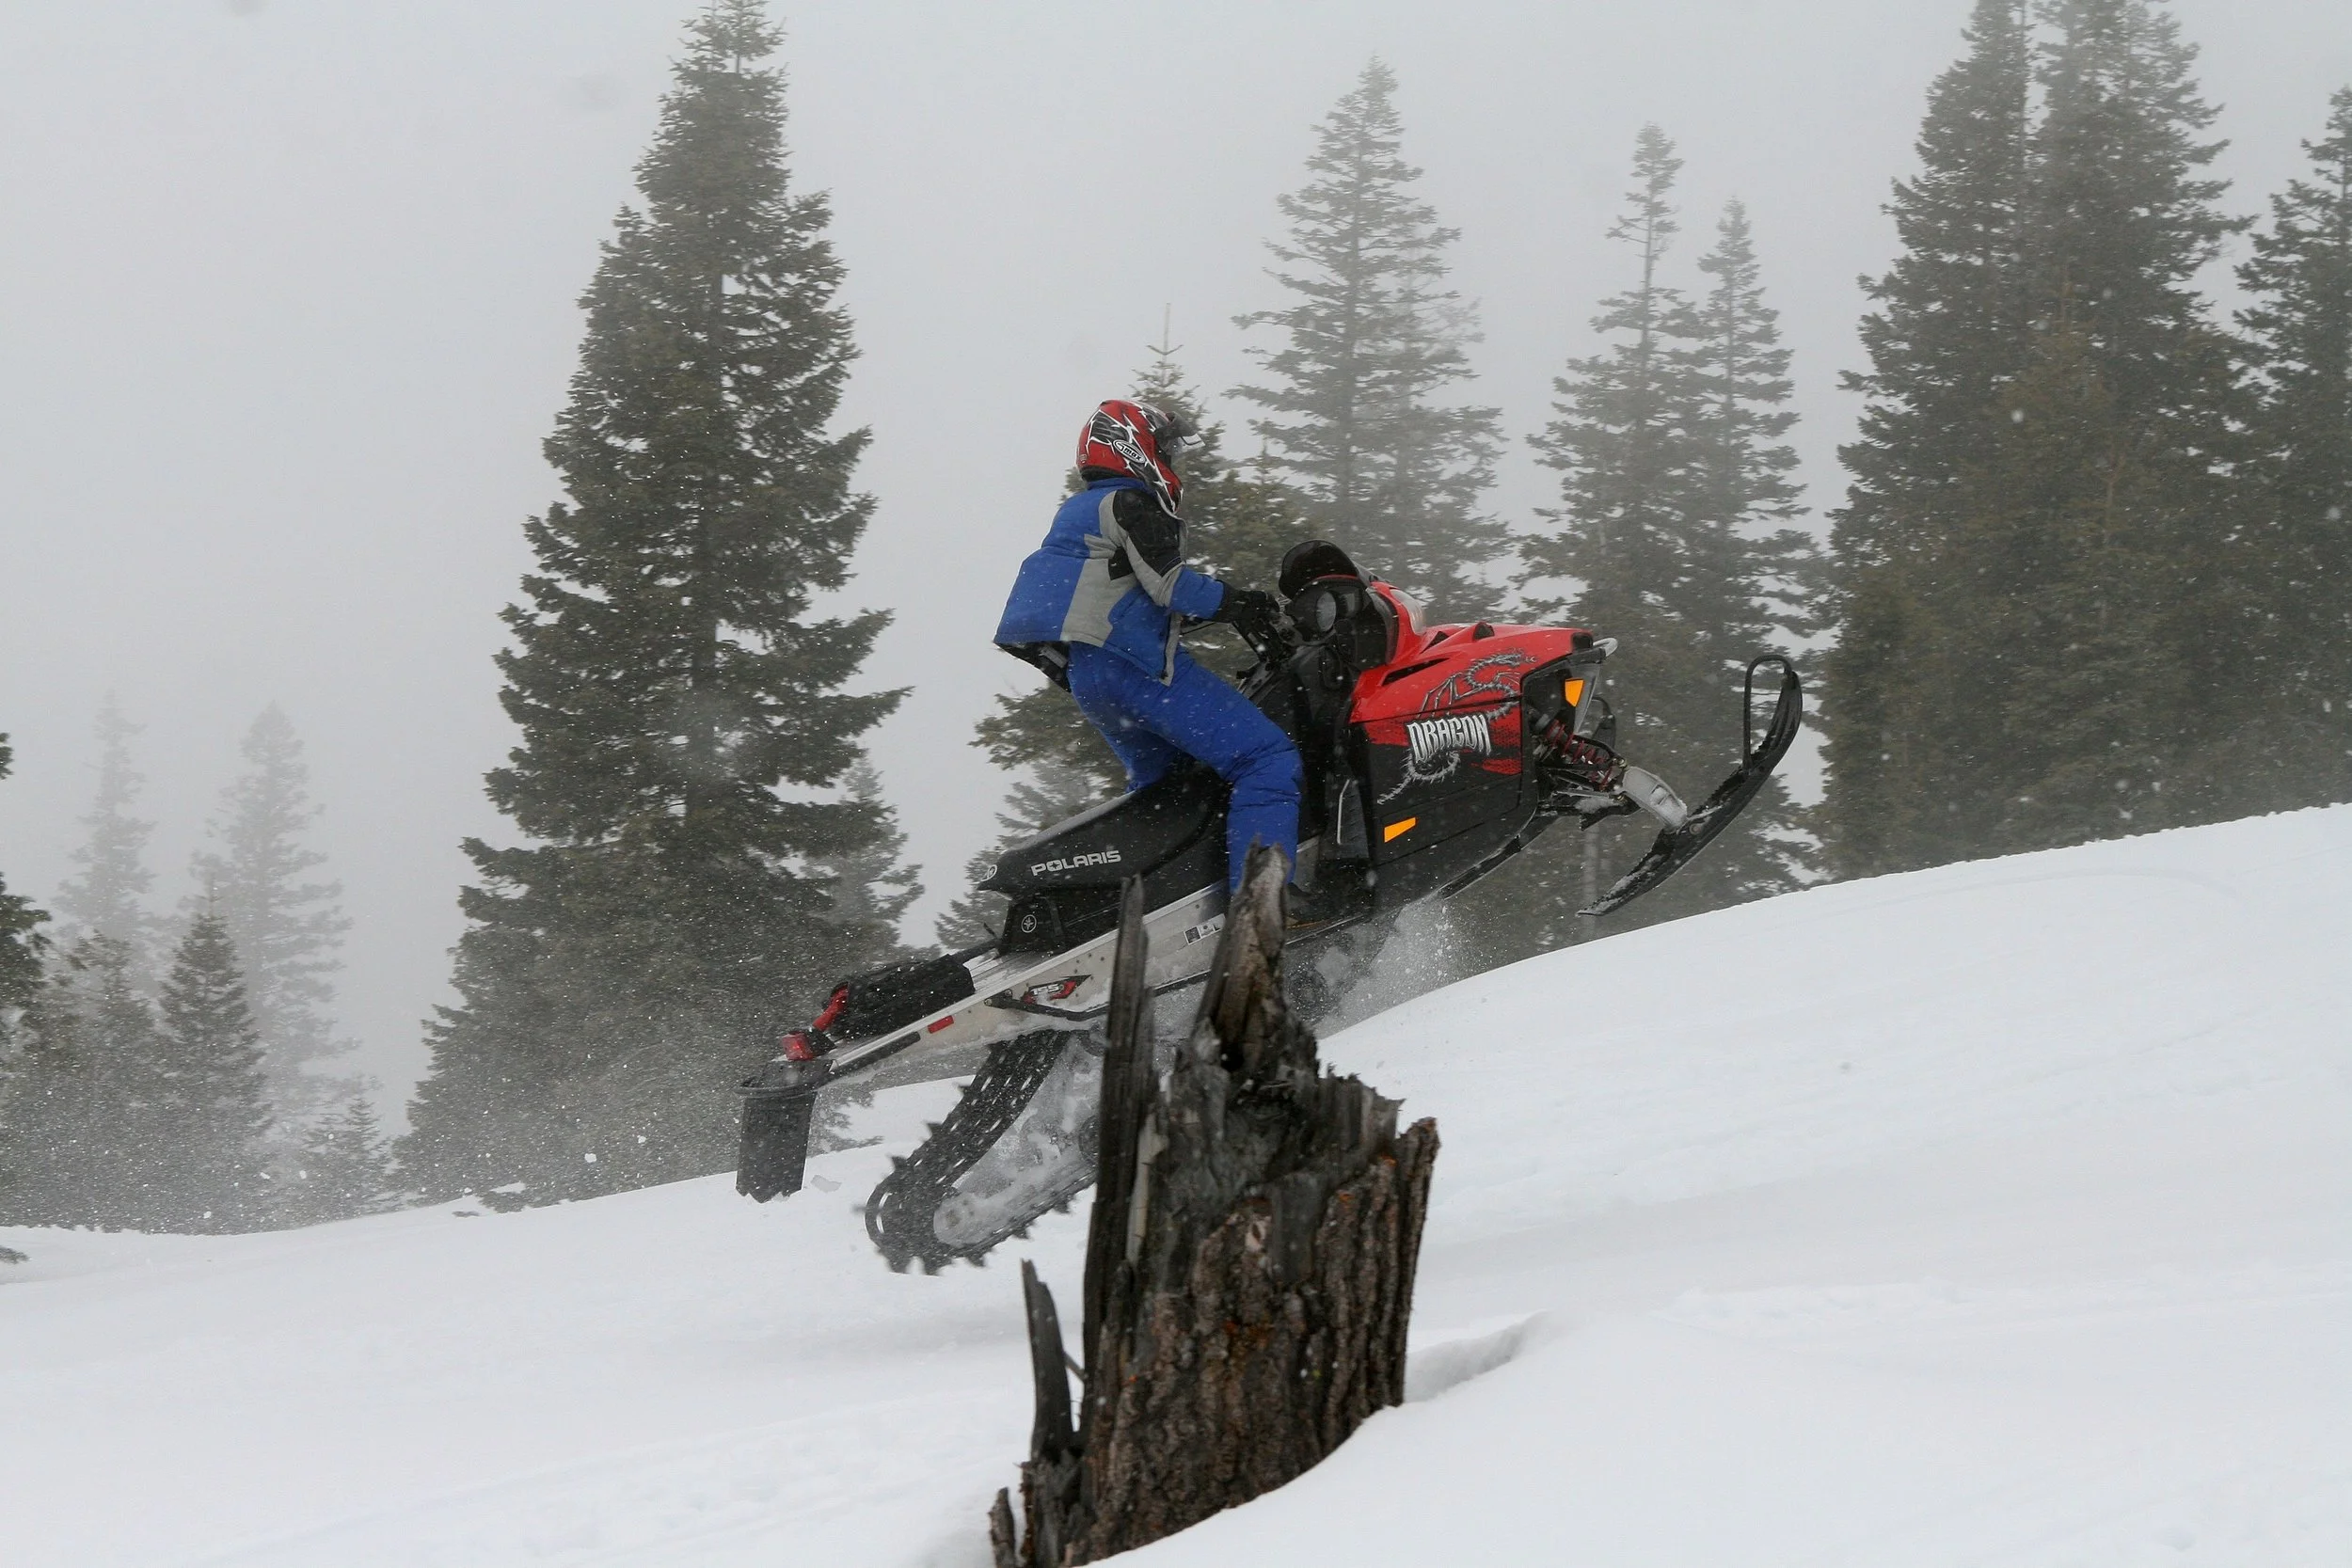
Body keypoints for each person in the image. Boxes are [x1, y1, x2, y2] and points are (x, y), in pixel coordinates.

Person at [994, 398, 1315, 903]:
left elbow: (1119, 601)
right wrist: (1242, 602)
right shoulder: (1130, 503)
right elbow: (1171, 586)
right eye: (1164, 449)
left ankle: (1163, 911)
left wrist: (1224, 612)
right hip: (1136, 672)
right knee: (1266, 759)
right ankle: (1259, 903)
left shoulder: (1078, 512)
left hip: (1091, 678)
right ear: (1132, 447)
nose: (1170, 460)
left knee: (1169, 796)